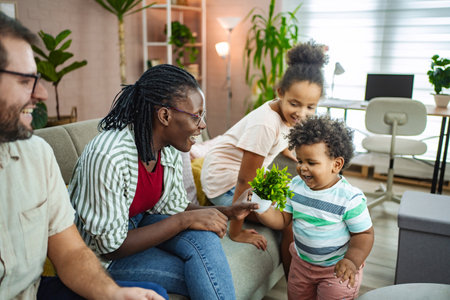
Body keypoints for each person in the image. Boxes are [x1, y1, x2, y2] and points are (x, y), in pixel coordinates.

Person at [0, 12, 166, 300]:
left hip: (32, 292)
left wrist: (113, 294)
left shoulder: (36, 154)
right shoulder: (110, 154)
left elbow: (72, 252)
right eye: (26, 80)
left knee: (151, 294)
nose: (42, 94)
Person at [68, 63, 258, 300]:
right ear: (165, 115)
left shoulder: (167, 149)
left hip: (142, 225)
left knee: (205, 239)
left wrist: (228, 211)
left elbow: (175, 208)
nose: (203, 125)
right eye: (196, 116)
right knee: (204, 276)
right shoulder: (108, 155)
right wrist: (184, 220)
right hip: (99, 257)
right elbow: (111, 246)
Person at [200, 41, 327, 275]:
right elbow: (244, 181)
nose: (302, 113)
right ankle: (296, 286)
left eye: (311, 107)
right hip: (224, 182)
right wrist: (236, 231)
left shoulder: (287, 117)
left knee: (302, 199)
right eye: (295, 104)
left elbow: (285, 144)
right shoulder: (266, 125)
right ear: (280, 93)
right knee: (291, 219)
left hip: (246, 176)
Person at [255, 115, 374, 300]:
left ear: (336, 165)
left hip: (337, 269)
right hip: (301, 265)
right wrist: (261, 208)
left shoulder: (350, 199)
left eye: (311, 163)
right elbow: (282, 220)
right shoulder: (295, 186)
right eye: (300, 160)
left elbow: (364, 235)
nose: (302, 168)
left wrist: (351, 260)